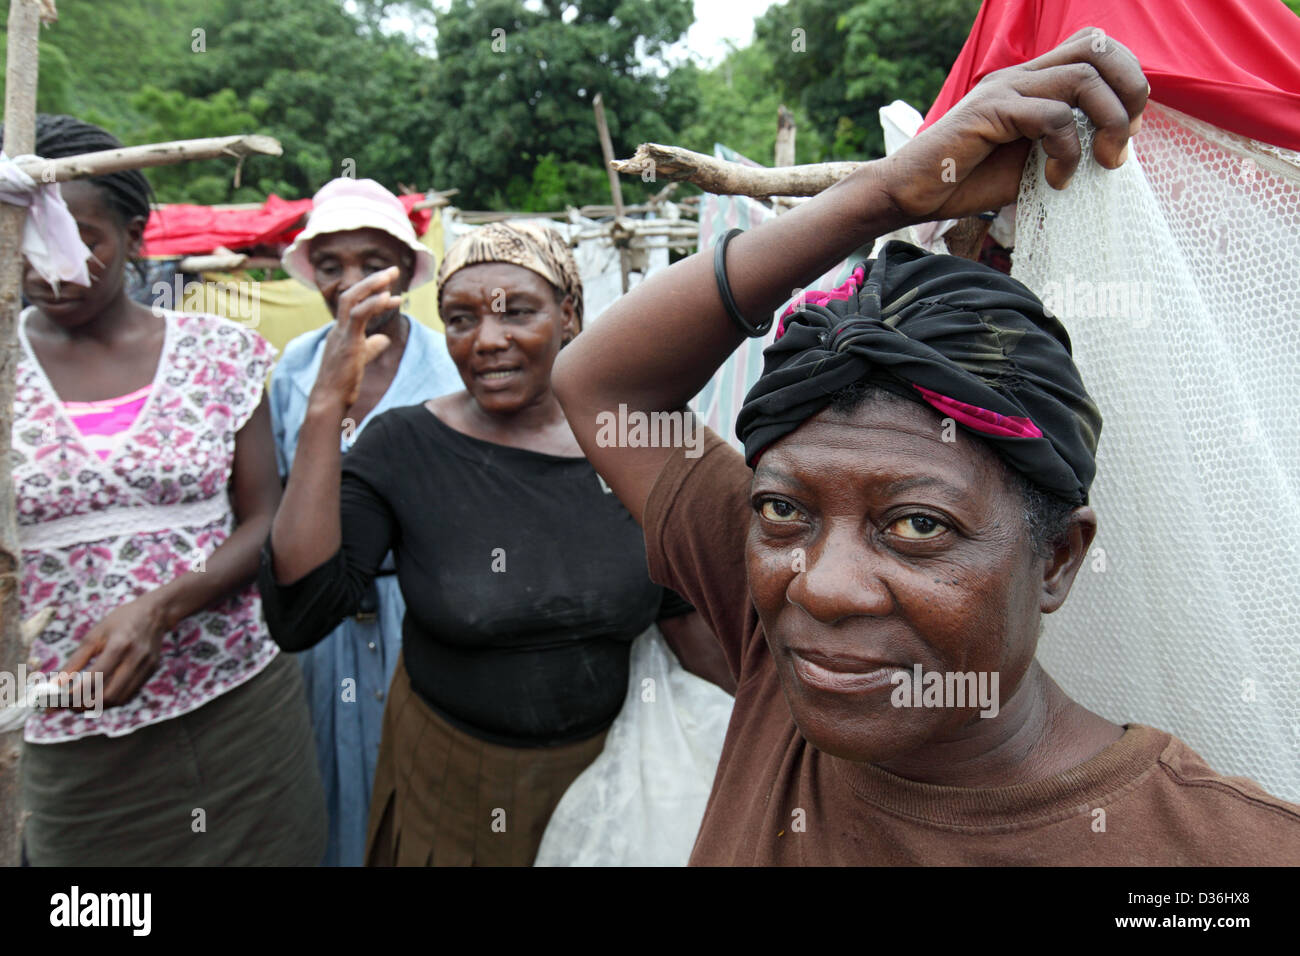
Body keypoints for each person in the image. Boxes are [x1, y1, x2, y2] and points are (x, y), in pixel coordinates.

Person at [552, 31, 1300, 865]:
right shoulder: (785, 658)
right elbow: (601, 389)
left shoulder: (1224, 856)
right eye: (780, 509)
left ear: (1057, 556)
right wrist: (881, 200)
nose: (825, 588)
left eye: (916, 526)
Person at [259, 220, 722, 866]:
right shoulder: (402, 447)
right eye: (460, 319)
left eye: (517, 314)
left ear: (568, 315)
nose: (487, 341)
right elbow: (302, 613)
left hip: (614, 769)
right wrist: (325, 408)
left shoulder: (632, 446)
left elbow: (684, 615)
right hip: (453, 782)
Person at [10, 114, 326, 865]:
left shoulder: (219, 353)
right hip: (70, 740)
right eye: (27, 240)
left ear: (135, 234)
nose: (56, 266)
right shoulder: (1, 369)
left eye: (87, 239)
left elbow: (264, 520)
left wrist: (161, 608)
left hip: (240, 708)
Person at [270, 177, 463, 867]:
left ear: (407, 271)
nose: (352, 281)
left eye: (372, 262)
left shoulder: (451, 369)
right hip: (321, 628)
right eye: (331, 265)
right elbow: (281, 504)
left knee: (427, 787)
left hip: (425, 613)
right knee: (332, 783)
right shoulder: (294, 372)